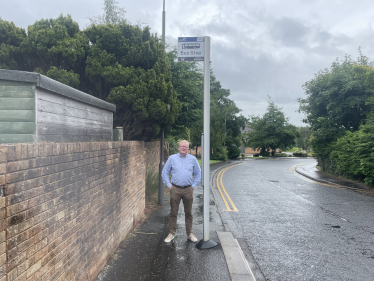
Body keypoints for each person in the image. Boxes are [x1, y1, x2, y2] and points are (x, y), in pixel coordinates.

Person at [162, 140, 201, 243]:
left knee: (189, 213)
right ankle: (171, 233)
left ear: (188, 149)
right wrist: (170, 186)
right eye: (182, 146)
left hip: (188, 189)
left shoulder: (193, 159)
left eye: (186, 147)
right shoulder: (172, 158)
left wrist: (193, 186)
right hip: (175, 189)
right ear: (178, 148)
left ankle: (190, 233)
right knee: (173, 212)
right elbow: (164, 173)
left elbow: (198, 173)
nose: (184, 148)